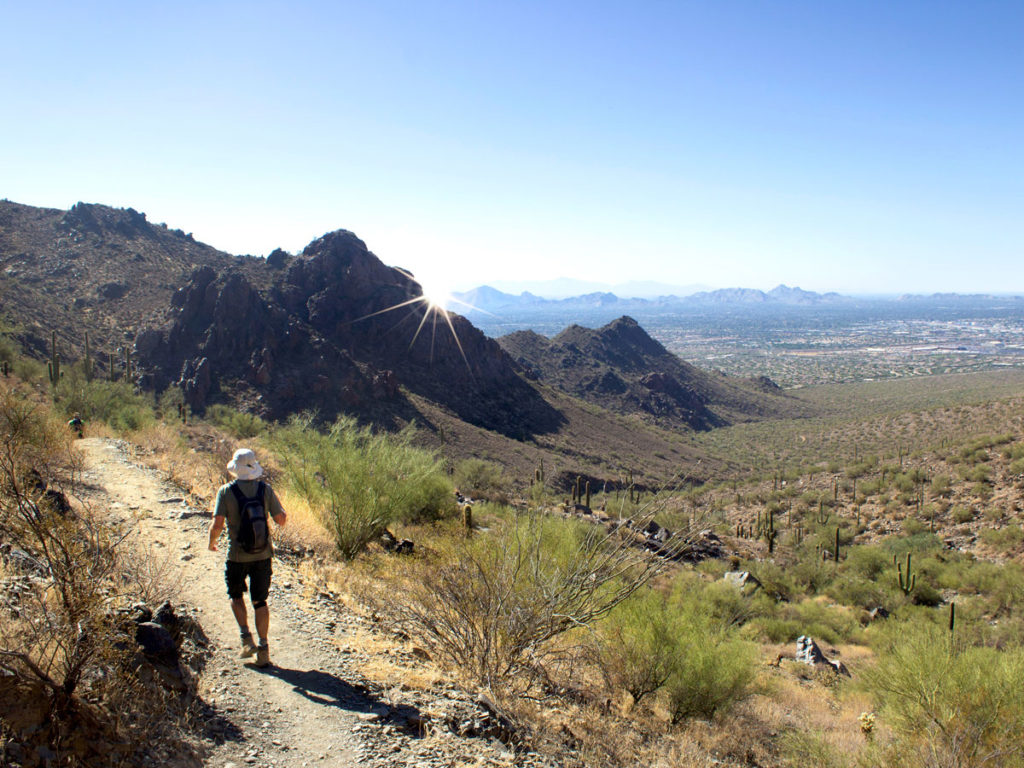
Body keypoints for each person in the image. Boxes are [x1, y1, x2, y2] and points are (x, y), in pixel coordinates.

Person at [208, 448, 286, 667]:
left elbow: (217, 525)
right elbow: (281, 519)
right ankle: (263, 647)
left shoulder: (225, 491)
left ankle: (246, 638)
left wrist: (211, 542)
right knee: (260, 600)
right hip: (263, 555)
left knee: (235, 594)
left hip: (237, 555)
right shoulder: (265, 489)